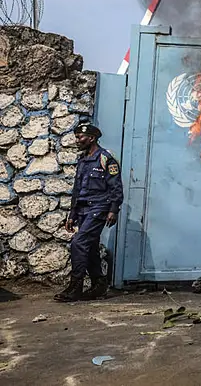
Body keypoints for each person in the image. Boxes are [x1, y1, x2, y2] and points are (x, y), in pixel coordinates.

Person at [54, 123, 124, 302]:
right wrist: (72, 214)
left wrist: (113, 210)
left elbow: (116, 187)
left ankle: (75, 286)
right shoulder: (83, 159)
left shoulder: (106, 158)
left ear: (91, 138)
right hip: (84, 209)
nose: (77, 140)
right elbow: (78, 189)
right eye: (77, 137)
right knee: (90, 247)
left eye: (80, 137)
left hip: (99, 208)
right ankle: (98, 284)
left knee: (78, 243)